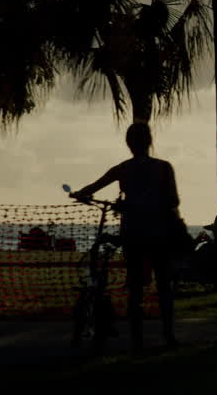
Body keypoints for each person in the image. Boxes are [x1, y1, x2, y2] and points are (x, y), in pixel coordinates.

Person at [71, 122, 184, 349]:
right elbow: (173, 201)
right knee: (164, 286)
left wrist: (79, 194)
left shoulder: (122, 169)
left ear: (128, 144)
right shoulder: (164, 168)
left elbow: (92, 187)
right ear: (150, 141)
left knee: (134, 288)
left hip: (133, 235)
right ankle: (169, 335)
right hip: (160, 234)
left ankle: (137, 339)